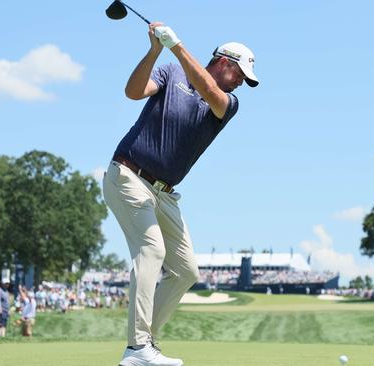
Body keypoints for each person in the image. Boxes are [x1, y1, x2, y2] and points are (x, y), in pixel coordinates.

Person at [103, 20, 258, 366]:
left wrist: (176, 45)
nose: (240, 85)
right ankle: (138, 347)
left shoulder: (227, 103)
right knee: (151, 250)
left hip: (165, 194)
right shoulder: (172, 72)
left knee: (186, 270)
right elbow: (133, 91)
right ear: (224, 63)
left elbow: (210, 92)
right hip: (128, 175)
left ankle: (145, 345)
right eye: (239, 76)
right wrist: (155, 50)